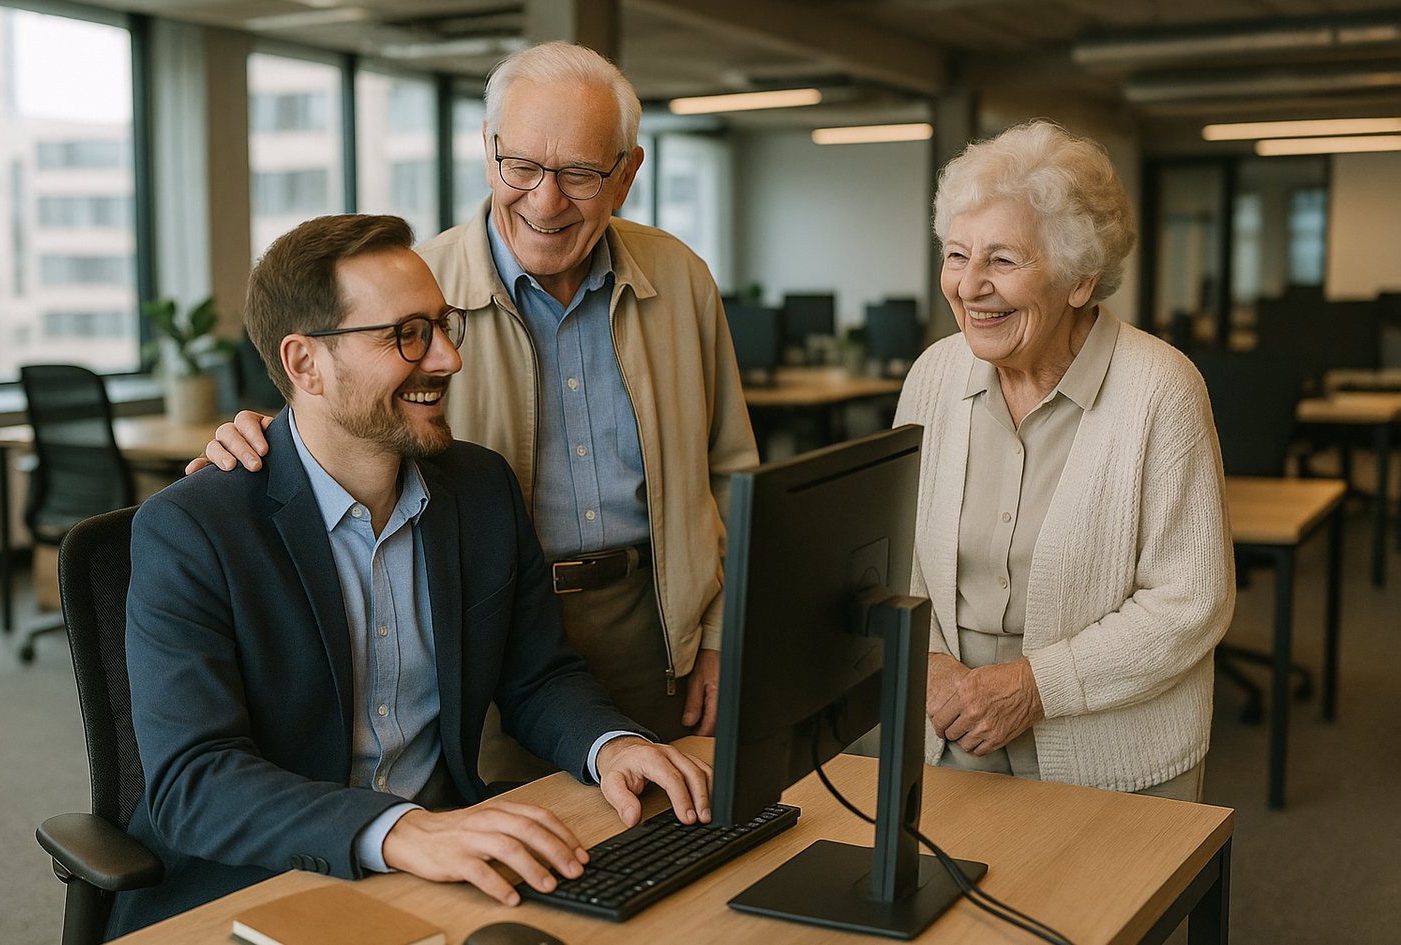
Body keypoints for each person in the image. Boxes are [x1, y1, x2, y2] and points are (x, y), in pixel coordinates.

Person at [112, 213, 712, 938]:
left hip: (445, 862)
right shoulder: (194, 529)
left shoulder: (480, 488)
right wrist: (402, 830)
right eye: (407, 335)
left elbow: (537, 675)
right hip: (259, 882)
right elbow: (194, 780)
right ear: (305, 364)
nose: (449, 359)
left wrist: (609, 743)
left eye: (442, 324)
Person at [190, 41, 757, 784]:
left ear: (627, 173)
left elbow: (731, 472)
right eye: (520, 165)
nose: (545, 200)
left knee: (664, 836)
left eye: (580, 174)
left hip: (658, 624)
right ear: (488, 153)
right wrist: (253, 440)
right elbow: (343, 407)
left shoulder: (680, 278)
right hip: (479, 635)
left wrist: (721, 631)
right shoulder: (421, 288)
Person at [897, 120, 1235, 801]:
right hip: (949, 731)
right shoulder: (934, 375)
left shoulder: (1162, 388)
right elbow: (895, 550)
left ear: (1081, 279)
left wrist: (1032, 687)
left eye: (1003, 259)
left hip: (1106, 749)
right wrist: (928, 666)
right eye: (958, 255)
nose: (969, 286)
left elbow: (1190, 600)